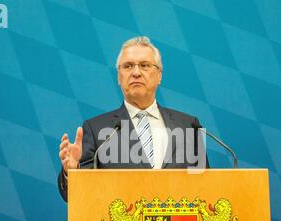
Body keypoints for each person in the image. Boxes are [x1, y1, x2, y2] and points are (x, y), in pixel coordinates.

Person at [58, 36, 207, 202]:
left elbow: (206, 187)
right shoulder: (96, 129)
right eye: (128, 66)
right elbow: (78, 197)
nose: (136, 72)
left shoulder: (188, 125)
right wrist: (72, 172)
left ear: (159, 76)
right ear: (118, 77)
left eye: (145, 65)